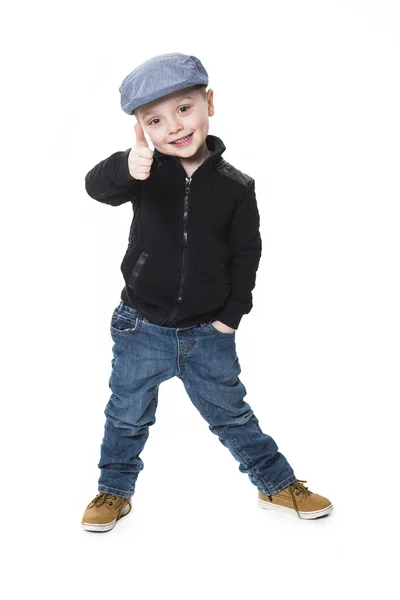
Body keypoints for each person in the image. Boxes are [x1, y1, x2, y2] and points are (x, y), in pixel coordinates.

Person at [81, 53, 333, 532]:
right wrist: (125, 167)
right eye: (155, 120)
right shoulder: (144, 172)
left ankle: (276, 484)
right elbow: (98, 188)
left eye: (183, 109)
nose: (174, 127)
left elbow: (247, 254)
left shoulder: (236, 186)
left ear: (208, 103)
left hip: (208, 333)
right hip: (140, 326)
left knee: (232, 415)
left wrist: (231, 316)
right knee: (126, 415)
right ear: (143, 129)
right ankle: (113, 491)